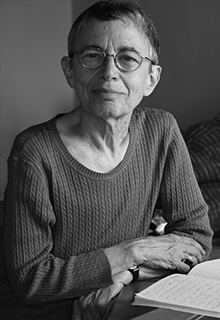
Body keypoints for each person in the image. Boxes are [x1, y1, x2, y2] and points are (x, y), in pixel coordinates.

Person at [0, 1, 213, 319]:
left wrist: (126, 274)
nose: (109, 72)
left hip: (116, 298)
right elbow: (30, 281)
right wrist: (133, 250)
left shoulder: (161, 130)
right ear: (70, 71)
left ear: (151, 78)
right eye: (92, 56)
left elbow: (197, 236)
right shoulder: (34, 152)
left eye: (127, 58)